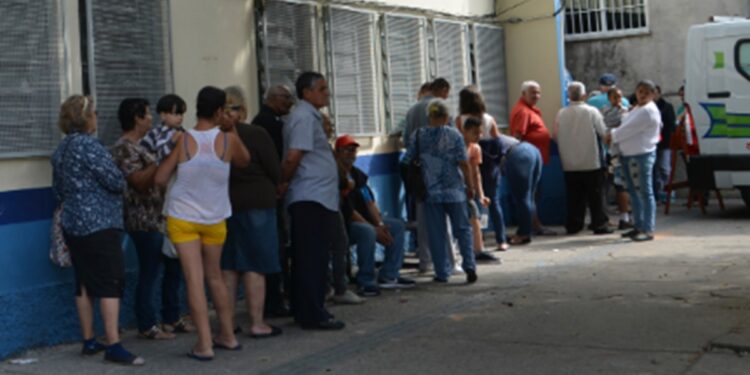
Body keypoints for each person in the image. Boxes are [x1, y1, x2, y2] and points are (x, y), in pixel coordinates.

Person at [155, 86, 250, 360]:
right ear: (220, 111)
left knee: (194, 281)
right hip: (216, 218)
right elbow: (245, 160)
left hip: (183, 218)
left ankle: (204, 344)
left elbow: (160, 178)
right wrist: (232, 130)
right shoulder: (228, 140)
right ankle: (228, 336)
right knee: (216, 277)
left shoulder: (183, 141)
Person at [51, 95, 143, 365]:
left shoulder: (61, 149)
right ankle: (114, 344)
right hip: (99, 224)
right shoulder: (90, 147)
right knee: (109, 282)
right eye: (95, 113)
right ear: (87, 118)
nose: (97, 118)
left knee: (84, 283)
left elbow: (57, 189)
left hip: (73, 224)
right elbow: (115, 181)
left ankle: (89, 340)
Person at [279, 72, 345, 330]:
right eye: (321, 89)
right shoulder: (304, 117)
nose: (326, 93)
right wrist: (283, 181)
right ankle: (312, 313)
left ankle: (306, 307)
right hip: (310, 196)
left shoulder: (310, 117)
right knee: (311, 256)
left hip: (317, 196)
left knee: (312, 254)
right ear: (306, 93)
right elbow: (294, 156)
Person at [111, 98, 176, 342]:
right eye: (147, 114)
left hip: (157, 216)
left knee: (163, 268)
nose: (151, 119)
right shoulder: (125, 147)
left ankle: (167, 317)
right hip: (142, 218)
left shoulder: (143, 145)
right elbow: (137, 181)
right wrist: (161, 158)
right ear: (137, 118)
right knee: (149, 271)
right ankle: (147, 324)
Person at [220, 86, 283, 339]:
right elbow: (275, 170)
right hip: (258, 204)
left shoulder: (214, 136)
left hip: (224, 206)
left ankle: (229, 322)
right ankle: (257, 322)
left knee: (229, 266)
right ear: (243, 110)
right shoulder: (257, 134)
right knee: (254, 265)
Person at [138, 93, 195, 334]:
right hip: (157, 207)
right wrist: (175, 142)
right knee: (155, 267)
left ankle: (172, 315)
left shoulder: (184, 134)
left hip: (178, 202)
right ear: (162, 115)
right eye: (173, 112)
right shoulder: (157, 135)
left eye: (181, 112)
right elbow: (157, 156)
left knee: (175, 266)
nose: (178, 117)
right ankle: (152, 320)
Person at [404, 99, 477, 283]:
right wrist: (471, 186)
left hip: (430, 192)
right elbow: (464, 164)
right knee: (462, 229)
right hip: (455, 191)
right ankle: (469, 266)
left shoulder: (418, 135)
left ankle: (441, 273)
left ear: (429, 116)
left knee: (436, 233)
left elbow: (406, 160)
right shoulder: (454, 135)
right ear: (446, 117)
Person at [335, 134, 416, 295]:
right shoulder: (336, 175)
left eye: (353, 150)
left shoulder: (358, 175)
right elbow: (349, 212)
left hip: (365, 220)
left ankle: (389, 275)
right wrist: (373, 228)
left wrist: (380, 225)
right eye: (346, 150)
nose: (351, 154)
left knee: (396, 226)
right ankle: (365, 281)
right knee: (367, 232)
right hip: (345, 224)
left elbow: (369, 202)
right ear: (337, 152)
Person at [249, 85, 295, 318]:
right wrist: (281, 181)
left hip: (268, 193)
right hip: (268, 195)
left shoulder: (269, 121)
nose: (290, 103)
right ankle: (273, 301)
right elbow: (276, 159)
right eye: (287, 98)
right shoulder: (268, 125)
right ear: (274, 99)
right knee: (274, 248)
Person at [402, 78, 453, 273]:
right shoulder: (441, 107)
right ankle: (448, 260)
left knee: (422, 215)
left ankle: (426, 260)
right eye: (447, 92)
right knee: (444, 217)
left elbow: (407, 139)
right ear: (442, 90)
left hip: (417, 169)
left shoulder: (412, 110)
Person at [553, 82, 613, 235]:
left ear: (568, 96)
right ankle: (599, 224)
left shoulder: (561, 113)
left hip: (569, 163)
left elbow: (555, 136)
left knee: (574, 197)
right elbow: (603, 133)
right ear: (584, 95)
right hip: (591, 160)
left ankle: (574, 225)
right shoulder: (592, 111)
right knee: (597, 196)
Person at [608, 80, 662, 242]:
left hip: (641, 155)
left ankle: (648, 229)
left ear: (653, 94)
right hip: (630, 154)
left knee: (644, 192)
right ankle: (639, 225)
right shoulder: (639, 108)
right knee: (633, 193)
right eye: (640, 91)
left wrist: (612, 135)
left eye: (646, 92)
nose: (642, 94)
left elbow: (626, 130)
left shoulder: (647, 111)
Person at [455, 85, 507, 252]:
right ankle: (501, 239)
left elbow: (457, 141)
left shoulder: (460, 120)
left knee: (472, 201)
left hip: (469, 162)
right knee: (493, 201)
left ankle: (479, 239)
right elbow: (498, 140)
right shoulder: (488, 119)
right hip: (489, 164)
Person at [322, 114, 365, 305]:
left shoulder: (355, 172)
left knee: (338, 244)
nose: (330, 127)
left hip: (331, 205)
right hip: (326, 204)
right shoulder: (323, 152)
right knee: (339, 243)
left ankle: (333, 285)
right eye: (326, 124)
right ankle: (337, 286)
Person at [509, 81, 556, 237]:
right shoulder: (523, 112)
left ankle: (534, 225)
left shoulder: (530, 110)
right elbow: (517, 137)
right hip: (526, 162)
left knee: (534, 194)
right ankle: (532, 226)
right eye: (533, 93)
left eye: (538, 92)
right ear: (523, 94)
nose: (536, 96)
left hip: (536, 161)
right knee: (530, 195)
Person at [461, 117, 500, 261]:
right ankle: (474, 249)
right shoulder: (456, 146)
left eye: (480, 133)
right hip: (456, 188)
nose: (479, 136)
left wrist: (481, 194)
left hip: (468, 190)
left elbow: (476, 173)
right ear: (464, 131)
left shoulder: (475, 148)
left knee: (474, 216)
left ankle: (478, 249)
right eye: (475, 133)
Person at [602, 88, 633, 230]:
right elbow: (610, 128)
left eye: (620, 97)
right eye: (615, 97)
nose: (618, 100)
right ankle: (622, 217)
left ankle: (627, 216)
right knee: (618, 185)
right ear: (609, 98)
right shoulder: (606, 111)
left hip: (626, 151)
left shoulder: (626, 110)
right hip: (614, 154)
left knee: (626, 186)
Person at [253, 85, 295, 160]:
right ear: (272, 97)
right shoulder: (266, 120)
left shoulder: (273, 118)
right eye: (286, 97)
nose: (291, 102)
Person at [653, 85, 677, 204]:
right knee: (655, 170)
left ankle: (668, 194)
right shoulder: (648, 107)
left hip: (665, 142)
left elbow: (671, 125)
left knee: (665, 168)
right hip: (653, 143)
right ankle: (659, 194)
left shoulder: (667, 107)